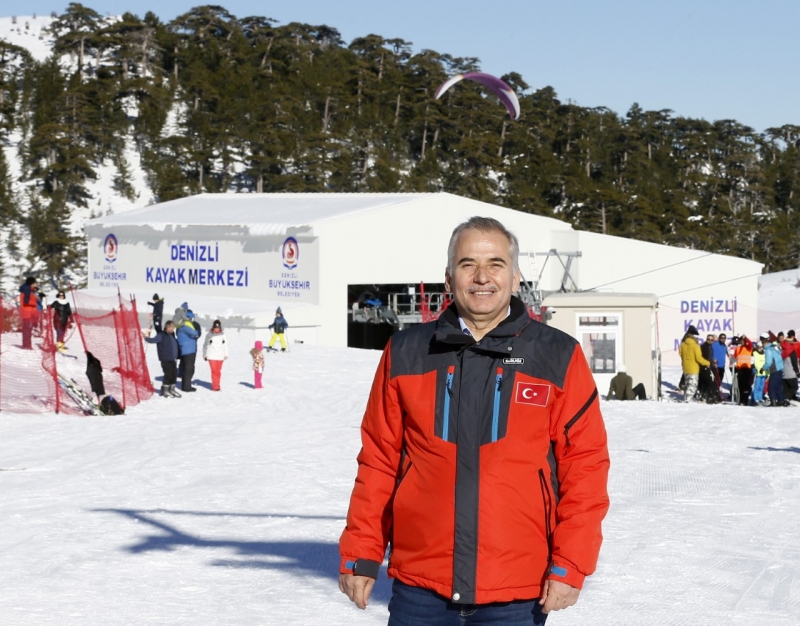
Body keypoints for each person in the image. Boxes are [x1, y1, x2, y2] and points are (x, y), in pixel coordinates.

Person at [339, 216, 610, 623]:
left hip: (517, 592)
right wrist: (361, 550)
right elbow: (379, 459)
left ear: (515, 277)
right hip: (421, 588)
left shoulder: (557, 356)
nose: (482, 277)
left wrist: (571, 562)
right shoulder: (407, 351)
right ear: (449, 279)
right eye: (468, 264)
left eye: (495, 264)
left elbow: (584, 468)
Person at [144, 320, 181, 398]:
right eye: (172, 327)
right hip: (165, 358)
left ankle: (172, 389)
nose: (173, 328)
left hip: (172, 358)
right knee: (168, 374)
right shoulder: (161, 335)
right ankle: (165, 390)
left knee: (174, 374)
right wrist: (146, 337)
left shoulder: (171, 335)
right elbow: (153, 340)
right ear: (167, 327)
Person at [679, 325, 709, 403]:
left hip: (685, 368)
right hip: (693, 368)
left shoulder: (683, 345)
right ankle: (687, 401)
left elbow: (680, 353)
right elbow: (699, 358)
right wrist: (707, 363)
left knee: (687, 385)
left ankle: (686, 399)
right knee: (692, 386)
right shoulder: (696, 346)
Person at [177, 311, 200, 392]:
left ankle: (185, 385)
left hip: (185, 350)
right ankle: (186, 387)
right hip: (188, 350)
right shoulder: (185, 327)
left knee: (185, 368)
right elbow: (195, 333)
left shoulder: (180, 326)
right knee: (188, 369)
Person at [203, 319, 228, 391]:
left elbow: (225, 345)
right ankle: (215, 386)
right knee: (214, 371)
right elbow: (205, 345)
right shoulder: (209, 335)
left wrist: (226, 354)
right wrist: (204, 354)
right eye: (215, 327)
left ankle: (217, 384)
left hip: (220, 355)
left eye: (218, 327)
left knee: (218, 371)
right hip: (211, 355)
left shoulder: (223, 335)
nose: (216, 329)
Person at [763, 333, 784, 407]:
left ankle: (773, 402)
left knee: (771, 387)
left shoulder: (768, 350)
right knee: (778, 386)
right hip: (780, 368)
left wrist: (763, 368)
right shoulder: (774, 347)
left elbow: (769, 362)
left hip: (774, 369)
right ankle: (780, 400)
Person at [732, 335, 754, 406]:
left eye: (743, 340)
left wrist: (746, 338)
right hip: (740, 369)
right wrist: (732, 362)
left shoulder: (748, 347)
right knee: (740, 386)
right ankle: (741, 400)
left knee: (746, 386)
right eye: (741, 340)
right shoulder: (738, 348)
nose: (742, 341)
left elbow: (750, 343)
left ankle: (745, 400)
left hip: (747, 369)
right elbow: (734, 357)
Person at [698, 334, 720, 403]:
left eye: (711, 340)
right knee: (710, 382)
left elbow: (709, 357)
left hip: (709, 366)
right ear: (706, 339)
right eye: (708, 339)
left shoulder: (710, 347)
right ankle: (705, 396)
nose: (710, 341)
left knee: (706, 382)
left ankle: (704, 396)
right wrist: (706, 363)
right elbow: (701, 357)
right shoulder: (704, 346)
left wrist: (712, 362)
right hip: (704, 366)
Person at [18, 277, 39, 349]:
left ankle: (27, 344)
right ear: (31, 283)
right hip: (28, 312)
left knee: (28, 329)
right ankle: (26, 345)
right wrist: (35, 300)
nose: (36, 284)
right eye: (35, 283)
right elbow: (26, 302)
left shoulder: (29, 290)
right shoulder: (27, 291)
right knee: (27, 329)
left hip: (29, 312)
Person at [780, 330, 799, 403]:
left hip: (784, 372)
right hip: (791, 372)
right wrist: (797, 371)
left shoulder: (782, 350)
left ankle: (785, 398)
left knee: (786, 388)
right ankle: (786, 398)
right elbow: (794, 363)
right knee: (794, 386)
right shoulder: (792, 351)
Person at [752, 340, 767, 405]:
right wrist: (753, 368)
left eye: (761, 347)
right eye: (758, 347)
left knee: (762, 386)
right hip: (757, 372)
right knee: (757, 386)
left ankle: (760, 398)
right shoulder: (754, 353)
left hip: (763, 372)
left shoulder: (765, 353)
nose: (760, 348)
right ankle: (755, 398)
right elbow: (752, 361)